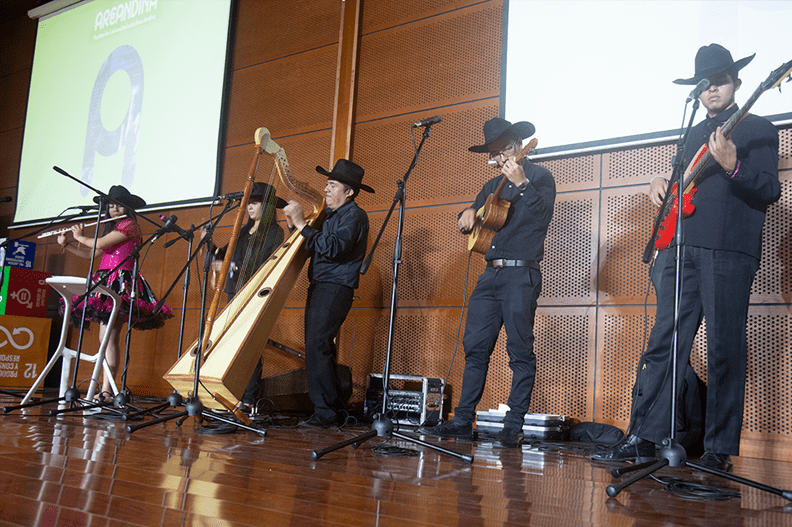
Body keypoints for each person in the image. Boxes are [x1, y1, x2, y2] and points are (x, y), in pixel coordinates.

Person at [592, 44, 780, 471]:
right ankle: (644, 435)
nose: (712, 89)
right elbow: (682, 189)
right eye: (705, 84)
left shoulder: (759, 128)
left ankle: (718, 450)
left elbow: (770, 189)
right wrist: (663, 182)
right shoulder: (692, 134)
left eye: (721, 81)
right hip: (681, 249)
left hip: (729, 250)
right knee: (664, 342)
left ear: (738, 83)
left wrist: (734, 167)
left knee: (724, 347)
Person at [421, 117, 556, 448]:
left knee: (520, 351)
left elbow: (542, 219)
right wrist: (465, 216)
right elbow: (474, 216)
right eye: (494, 154)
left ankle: (514, 425)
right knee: (476, 349)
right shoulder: (490, 186)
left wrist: (523, 184)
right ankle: (464, 421)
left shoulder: (539, 176)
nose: (499, 158)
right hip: (489, 275)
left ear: (516, 146)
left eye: (502, 150)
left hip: (520, 274)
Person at [58, 185, 173, 399]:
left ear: (128, 208)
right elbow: (93, 253)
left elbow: (99, 243)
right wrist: (69, 244)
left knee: (109, 339)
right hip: (105, 281)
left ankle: (106, 391)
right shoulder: (113, 228)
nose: (114, 209)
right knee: (106, 339)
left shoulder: (129, 225)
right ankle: (105, 389)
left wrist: (79, 236)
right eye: (111, 206)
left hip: (122, 282)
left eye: (119, 206)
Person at [281, 159, 373, 428]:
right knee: (320, 346)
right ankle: (331, 407)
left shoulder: (355, 216)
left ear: (349, 192)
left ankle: (325, 412)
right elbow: (313, 247)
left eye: (332, 185)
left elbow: (334, 248)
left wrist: (302, 225)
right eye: (326, 184)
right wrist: (293, 226)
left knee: (318, 344)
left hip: (335, 287)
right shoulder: (330, 216)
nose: (326, 190)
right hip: (321, 285)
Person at [205, 182, 286, 412]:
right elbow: (224, 254)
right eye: (248, 202)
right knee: (231, 345)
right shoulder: (242, 231)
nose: (250, 207)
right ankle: (230, 393)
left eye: (255, 202)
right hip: (234, 292)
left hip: (254, 294)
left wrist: (229, 264)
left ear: (267, 206)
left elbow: (262, 264)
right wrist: (210, 246)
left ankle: (248, 399)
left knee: (249, 346)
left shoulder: (274, 232)